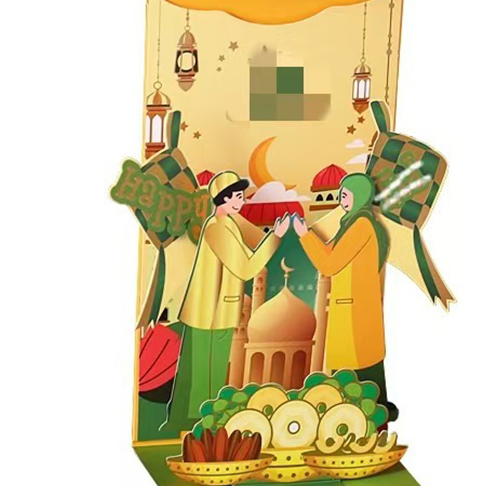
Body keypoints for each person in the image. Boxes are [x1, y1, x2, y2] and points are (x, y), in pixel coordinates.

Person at [161, 171, 290, 435]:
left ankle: (187, 424)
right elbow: (245, 267)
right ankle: (201, 427)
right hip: (213, 314)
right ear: (224, 198)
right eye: (238, 196)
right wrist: (274, 237)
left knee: (200, 373)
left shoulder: (226, 224)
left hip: (212, 311)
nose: (242, 200)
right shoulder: (218, 228)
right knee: (207, 375)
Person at [293, 173, 397, 421]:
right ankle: (371, 413)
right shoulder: (355, 223)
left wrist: (304, 235)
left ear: (360, 195)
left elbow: (329, 264)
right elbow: (332, 251)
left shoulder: (360, 225)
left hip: (353, 309)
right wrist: (308, 234)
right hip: (358, 306)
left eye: (346, 194)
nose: (342, 199)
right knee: (364, 362)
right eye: (341, 194)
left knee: (355, 368)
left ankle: (363, 416)